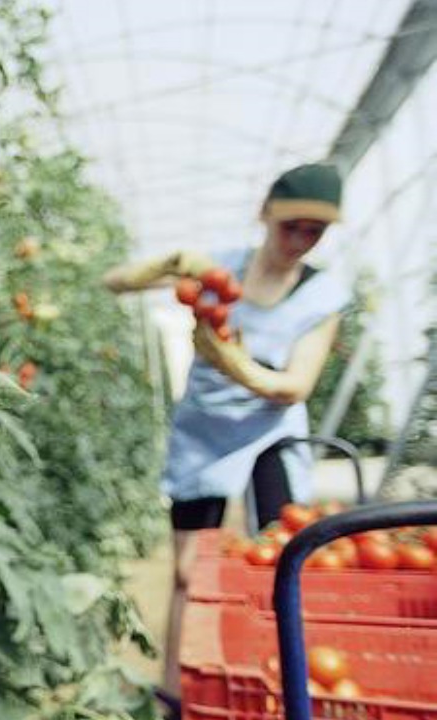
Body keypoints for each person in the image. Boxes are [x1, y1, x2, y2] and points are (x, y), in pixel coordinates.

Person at [102, 163, 351, 702]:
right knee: (187, 573)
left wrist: (229, 359)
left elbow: (293, 386)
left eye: (316, 231)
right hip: (204, 433)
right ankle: (175, 696)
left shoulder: (322, 295)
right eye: (292, 226)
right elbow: (116, 281)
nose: (301, 241)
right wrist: (168, 265)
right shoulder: (222, 269)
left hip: (271, 434)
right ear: (265, 214)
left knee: (279, 566)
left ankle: (276, 692)